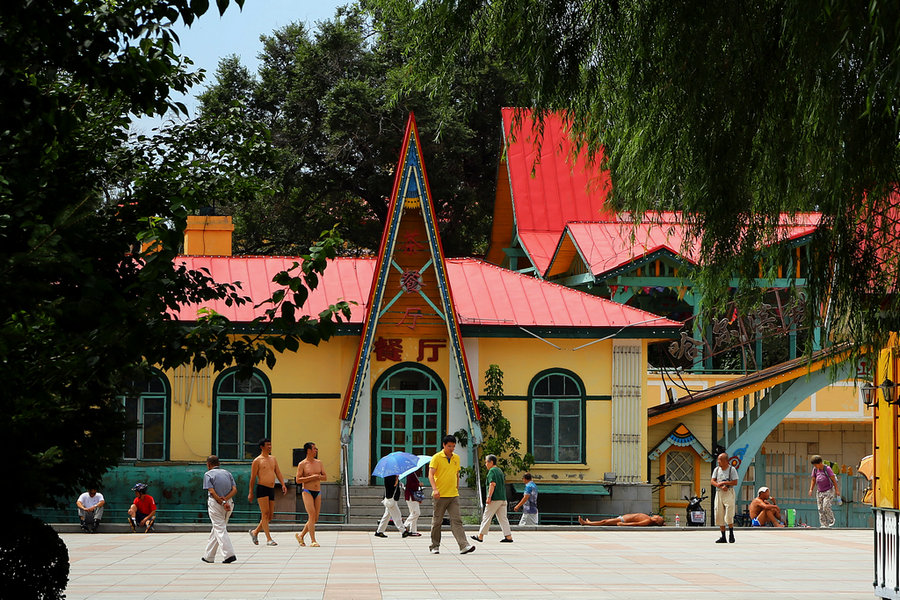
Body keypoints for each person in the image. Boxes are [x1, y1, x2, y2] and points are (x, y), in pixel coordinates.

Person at [428, 434, 476, 555]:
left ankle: (464, 545)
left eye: (453, 446)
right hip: (440, 495)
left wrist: (457, 487)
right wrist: (435, 489)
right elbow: (431, 475)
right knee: (437, 522)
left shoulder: (456, 458)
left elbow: (456, 474)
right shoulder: (436, 458)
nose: (451, 448)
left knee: (457, 520)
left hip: (453, 495)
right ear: (444, 445)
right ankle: (434, 545)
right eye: (449, 446)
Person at [248, 437, 287, 546]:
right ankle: (269, 539)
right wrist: (250, 492)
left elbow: (278, 472)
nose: (270, 447)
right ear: (262, 447)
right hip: (262, 488)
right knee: (264, 513)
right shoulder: (257, 460)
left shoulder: (273, 459)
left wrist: (283, 484)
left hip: (271, 488)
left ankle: (255, 532)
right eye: (267, 445)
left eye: (270, 444)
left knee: (270, 516)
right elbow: (252, 478)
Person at [201, 455, 237, 564]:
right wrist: (226, 500)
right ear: (218, 463)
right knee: (217, 528)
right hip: (229, 503)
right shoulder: (227, 473)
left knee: (219, 528)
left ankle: (229, 554)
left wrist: (222, 502)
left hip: (216, 503)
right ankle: (209, 556)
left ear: (208, 464)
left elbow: (211, 491)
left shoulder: (208, 474)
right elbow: (234, 489)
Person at [471, 454, 513, 543]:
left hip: (495, 498)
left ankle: (480, 536)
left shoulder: (492, 471)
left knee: (487, 516)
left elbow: (492, 484)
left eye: (486, 462)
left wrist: (489, 497)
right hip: (503, 498)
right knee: (503, 518)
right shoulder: (499, 470)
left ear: (491, 462)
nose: (485, 464)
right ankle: (508, 536)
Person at [294, 441, 326, 547]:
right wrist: (311, 477)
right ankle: (313, 540)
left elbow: (325, 477)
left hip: (317, 491)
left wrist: (318, 477)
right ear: (308, 450)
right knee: (311, 515)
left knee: (315, 518)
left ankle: (301, 535)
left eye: (316, 449)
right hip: (307, 491)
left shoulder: (319, 463)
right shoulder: (302, 464)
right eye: (314, 448)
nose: (316, 450)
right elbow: (298, 480)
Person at [711, 452, 738, 543]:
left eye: (721, 460)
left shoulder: (732, 469)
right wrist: (719, 485)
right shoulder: (717, 470)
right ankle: (723, 536)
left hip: (729, 492)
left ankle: (731, 532)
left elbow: (735, 482)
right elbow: (713, 481)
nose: (719, 462)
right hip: (719, 492)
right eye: (718, 460)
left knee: (729, 513)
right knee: (719, 513)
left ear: (726, 461)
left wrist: (725, 483)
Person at [808, 455, 840, 528]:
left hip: (829, 490)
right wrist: (811, 489)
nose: (815, 466)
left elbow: (833, 480)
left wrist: (837, 490)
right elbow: (813, 480)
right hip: (820, 491)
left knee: (826, 506)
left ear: (820, 463)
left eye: (816, 465)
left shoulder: (827, 469)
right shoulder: (815, 470)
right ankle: (824, 524)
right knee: (820, 508)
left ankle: (831, 519)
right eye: (814, 465)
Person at [374, 474, 410, 538]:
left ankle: (379, 531)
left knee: (386, 516)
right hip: (391, 500)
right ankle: (403, 531)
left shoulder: (391, 476)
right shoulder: (389, 477)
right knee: (397, 515)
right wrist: (396, 479)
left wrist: (396, 478)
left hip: (391, 500)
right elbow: (393, 485)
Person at [403, 471, 423, 536]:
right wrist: (418, 484)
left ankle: (413, 531)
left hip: (413, 496)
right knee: (416, 513)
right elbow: (410, 485)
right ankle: (404, 525)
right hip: (411, 496)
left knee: (413, 513)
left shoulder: (414, 474)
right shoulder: (410, 473)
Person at [578, 513, 665, 526]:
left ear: (656, 521)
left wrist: (623, 524)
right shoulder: (649, 518)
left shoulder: (648, 521)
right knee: (605, 521)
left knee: (604, 522)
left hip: (623, 521)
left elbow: (636, 524)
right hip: (622, 518)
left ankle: (586, 523)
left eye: (658, 517)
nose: (657, 515)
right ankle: (589, 522)